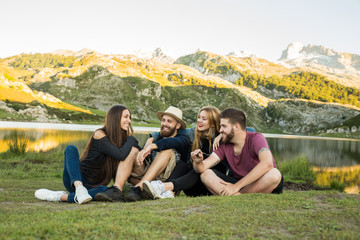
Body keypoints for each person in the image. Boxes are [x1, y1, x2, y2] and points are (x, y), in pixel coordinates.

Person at [34, 105, 141, 204]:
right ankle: (78, 189)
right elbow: (120, 155)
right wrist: (132, 139)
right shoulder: (99, 134)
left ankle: (61, 197)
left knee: (105, 190)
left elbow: (134, 154)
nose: (129, 121)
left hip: (95, 187)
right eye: (126, 117)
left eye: (130, 117)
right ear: (115, 118)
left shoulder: (124, 141)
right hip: (76, 179)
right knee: (71, 149)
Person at [191, 108, 283, 196]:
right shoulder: (224, 144)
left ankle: (236, 195)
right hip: (238, 182)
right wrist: (197, 161)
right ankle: (237, 196)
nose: (220, 130)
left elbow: (267, 163)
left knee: (274, 174)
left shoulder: (256, 138)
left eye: (224, 126)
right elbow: (201, 168)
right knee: (205, 174)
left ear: (236, 126)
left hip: (260, 182)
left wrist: (235, 187)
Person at [142, 106, 227, 199]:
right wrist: (152, 139)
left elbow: (244, 130)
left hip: (212, 184)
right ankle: (168, 192)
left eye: (204, 119)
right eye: (199, 117)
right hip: (192, 187)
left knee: (201, 170)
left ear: (213, 123)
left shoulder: (224, 138)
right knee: (182, 165)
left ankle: (164, 188)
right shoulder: (193, 133)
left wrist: (222, 134)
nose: (199, 120)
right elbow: (171, 131)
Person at [125, 106, 189, 202]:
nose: (164, 124)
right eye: (163, 120)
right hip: (151, 175)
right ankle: (147, 188)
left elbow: (169, 142)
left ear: (178, 125)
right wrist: (144, 149)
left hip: (167, 181)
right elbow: (144, 158)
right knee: (133, 152)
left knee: (167, 150)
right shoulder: (155, 139)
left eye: (169, 121)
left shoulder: (182, 139)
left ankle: (139, 188)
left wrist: (151, 146)